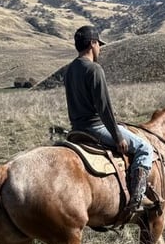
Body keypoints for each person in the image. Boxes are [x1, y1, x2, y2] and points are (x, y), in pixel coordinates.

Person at [64, 24, 154, 220]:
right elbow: (104, 108)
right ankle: (137, 198)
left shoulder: (70, 70)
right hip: (96, 127)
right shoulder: (94, 69)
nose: (100, 49)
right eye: (99, 45)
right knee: (145, 148)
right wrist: (117, 135)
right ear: (92, 43)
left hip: (76, 128)